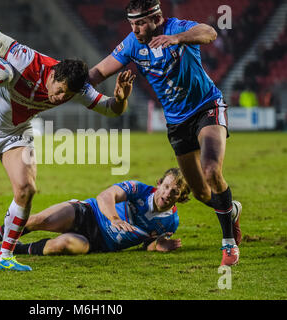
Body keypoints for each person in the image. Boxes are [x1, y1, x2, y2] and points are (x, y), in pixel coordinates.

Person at [0, 27, 135, 271]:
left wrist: (121, 99)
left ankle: (5, 256)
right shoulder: (27, 60)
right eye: (59, 91)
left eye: (67, 95)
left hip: (16, 132)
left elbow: (111, 110)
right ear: (53, 75)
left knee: (27, 189)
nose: (60, 98)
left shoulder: (76, 88)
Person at [88, 0, 242, 266]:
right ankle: (232, 210)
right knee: (202, 193)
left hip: (207, 106)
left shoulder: (177, 27)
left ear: (157, 18)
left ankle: (228, 244)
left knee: (211, 171)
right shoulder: (132, 44)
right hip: (176, 122)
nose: (135, 29)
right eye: (132, 24)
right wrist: (64, 84)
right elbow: (97, 73)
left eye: (140, 23)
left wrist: (176, 39)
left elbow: (210, 32)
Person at [0, 168, 190, 258]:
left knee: (63, 245)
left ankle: (5, 249)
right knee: (39, 220)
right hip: (88, 213)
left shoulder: (171, 222)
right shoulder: (138, 189)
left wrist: (158, 246)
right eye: (166, 186)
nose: (167, 193)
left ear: (181, 197)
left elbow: (145, 244)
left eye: (175, 191)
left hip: (98, 243)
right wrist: (114, 218)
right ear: (159, 183)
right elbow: (105, 196)